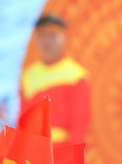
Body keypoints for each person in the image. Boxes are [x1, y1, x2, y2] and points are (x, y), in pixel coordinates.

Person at [18, 12, 91, 142]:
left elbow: (79, 128)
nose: (47, 42)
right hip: (34, 151)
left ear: (63, 39)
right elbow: (23, 122)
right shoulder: (28, 75)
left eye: (52, 36)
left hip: (61, 150)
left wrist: (73, 158)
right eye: (42, 36)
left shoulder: (76, 76)